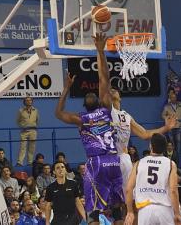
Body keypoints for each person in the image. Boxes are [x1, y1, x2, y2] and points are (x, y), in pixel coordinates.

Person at [55, 33, 123, 225]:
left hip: (102, 162)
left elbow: (104, 79)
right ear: (86, 103)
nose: (92, 94)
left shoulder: (101, 110)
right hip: (109, 162)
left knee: (101, 209)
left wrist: (100, 51)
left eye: (94, 94)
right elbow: (59, 114)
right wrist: (67, 88)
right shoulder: (84, 118)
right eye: (89, 95)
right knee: (112, 208)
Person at [124, 133, 181, 225]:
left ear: (151, 146)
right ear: (165, 147)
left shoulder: (139, 163)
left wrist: (130, 212)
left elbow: (128, 189)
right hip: (165, 210)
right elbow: (173, 191)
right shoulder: (170, 164)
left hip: (145, 211)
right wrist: (177, 213)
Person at [16, 96, 39, 166]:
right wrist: (23, 126)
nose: (28, 101)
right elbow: (18, 121)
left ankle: (30, 162)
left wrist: (33, 126)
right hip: (24, 131)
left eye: (30, 100)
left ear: (32, 101)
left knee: (31, 148)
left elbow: (37, 120)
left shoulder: (36, 110)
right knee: (22, 147)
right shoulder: (20, 110)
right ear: (24, 102)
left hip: (33, 131)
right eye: (27, 100)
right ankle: (20, 162)